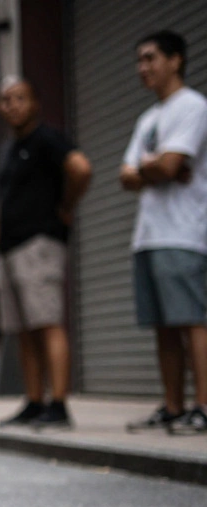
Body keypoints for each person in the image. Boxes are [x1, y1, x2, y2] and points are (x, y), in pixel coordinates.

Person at [0, 76, 92, 430]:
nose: (11, 105)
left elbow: (81, 168)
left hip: (40, 243)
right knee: (22, 330)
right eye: (5, 99)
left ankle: (59, 404)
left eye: (19, 98)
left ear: (34, 103)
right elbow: (3, 205)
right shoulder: (6, 150)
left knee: (46, 322)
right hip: (9, 249)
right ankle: (33, 401)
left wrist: (67, 205)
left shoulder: (47, 139)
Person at [119, 31, 207, 434]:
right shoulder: (148, 119)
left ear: (176, 60)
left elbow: (170, 167)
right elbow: (127, 176)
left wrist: (153, 167)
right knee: (163, 326)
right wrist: (156, 166)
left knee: (193, 321)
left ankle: (203, 406)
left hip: (185, 232)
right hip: (149, 234)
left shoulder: (193, 107)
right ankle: (173, 407)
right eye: (139, 60)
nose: (143, 68)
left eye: (151, 58)